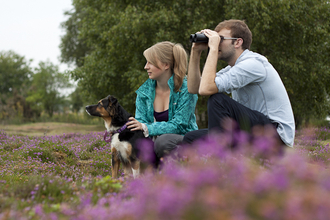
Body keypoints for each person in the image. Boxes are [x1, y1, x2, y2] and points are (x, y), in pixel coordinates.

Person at [184, 19, 295, 148]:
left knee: (218, 100)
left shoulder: (253, 64)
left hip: (275, 136)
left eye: (220, 39)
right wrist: (196, 52)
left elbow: (206, 89)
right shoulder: (233, 68)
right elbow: (195, 88)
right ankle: (213, 160)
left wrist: (213, 49)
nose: (215, 43)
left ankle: (221, 159)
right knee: (191, 138)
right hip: (253, 129)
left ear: (237, 42)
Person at [126, 41, 198, 160]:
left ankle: (187, 168)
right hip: (156, 143)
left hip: (182, 141)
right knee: (136, 143)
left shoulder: (187, 89)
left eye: (151, 62)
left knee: (163, 142)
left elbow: (179, 125)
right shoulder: (144, 93)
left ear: (166, 65)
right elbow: (140, 124)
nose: (146, 67)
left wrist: (147, 128)